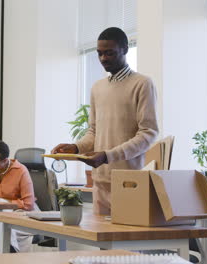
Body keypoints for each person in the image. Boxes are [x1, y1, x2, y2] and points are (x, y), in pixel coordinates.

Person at [52, 27, 159, 215]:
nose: (103, 59)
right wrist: (75, 148)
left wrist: (108, 155)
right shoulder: (97, 87)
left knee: (128, 243)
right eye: (100, 54)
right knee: (104, 243)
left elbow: (148, 134)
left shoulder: (142, 84)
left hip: (129, 183)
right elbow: (94, 131)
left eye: (109, 53)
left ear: (125, 49)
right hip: (100, 182)